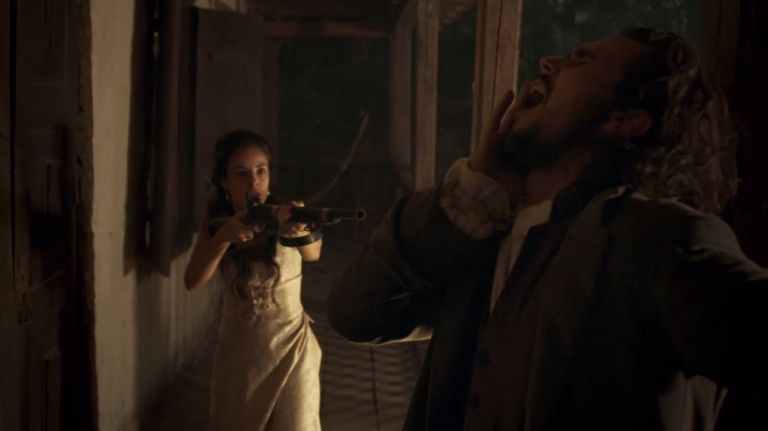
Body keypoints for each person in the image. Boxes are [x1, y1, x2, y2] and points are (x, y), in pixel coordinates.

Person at [328, 27, 768, 430]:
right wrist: (469, 195)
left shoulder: (655, 237)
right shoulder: (485, 234)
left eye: (580, 60)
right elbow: (356, 314)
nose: (547, 63)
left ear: (623, 119)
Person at [184, 130, 323, 431]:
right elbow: (193, 280)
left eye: (261, 171)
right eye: (241, 173)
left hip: (292, 345)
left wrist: (299, 230)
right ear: (224, 181)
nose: (254, 182)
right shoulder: (217, 220)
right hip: (241, 353)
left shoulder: (286, 213)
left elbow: (313, 254)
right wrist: (224, 237)